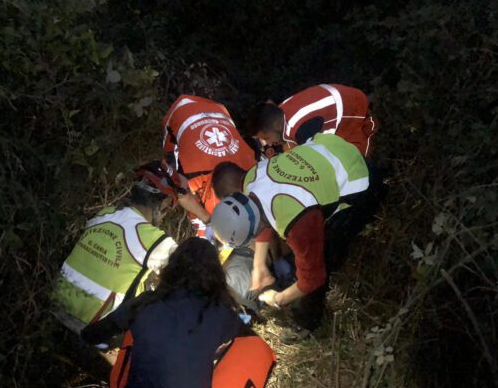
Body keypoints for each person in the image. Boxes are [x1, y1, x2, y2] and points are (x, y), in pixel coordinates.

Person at [81, 238, 276, 388]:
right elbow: (243, 336)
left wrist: (110, 345)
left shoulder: (144, 303)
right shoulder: (219, 314)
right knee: (257, 350)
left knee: (137, 334)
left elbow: (90, 335)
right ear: (215, 275)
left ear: (171, 269)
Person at [210, 133, 382, 331]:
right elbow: (259, 214)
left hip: (359, 178)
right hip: (331, 148)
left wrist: (279, 298)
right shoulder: (251, 178)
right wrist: (259, 266)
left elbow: (312, 279)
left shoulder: (296, 222)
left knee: (326, 254)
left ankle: (308, 323)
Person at [51, 161, 179, 338]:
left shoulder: (105, 213)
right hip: (94, 328)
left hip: (55, 305)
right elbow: (190, 271)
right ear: (164, 203)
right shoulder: (154, 240)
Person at [162, 94, 257, 238]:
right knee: (174, 180)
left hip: (219, 111)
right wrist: (207, 221)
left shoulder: (252, 167)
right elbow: (182, 193)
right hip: (180, 113)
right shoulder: (192, 173)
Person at [247, 84, 377, 159]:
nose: (269, 143)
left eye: (266, 137)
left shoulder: (301, 129)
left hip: (356, 114)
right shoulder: (282, 110)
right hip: (349, 98)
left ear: (275, 124)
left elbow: (316, 158)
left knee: (357, 162)